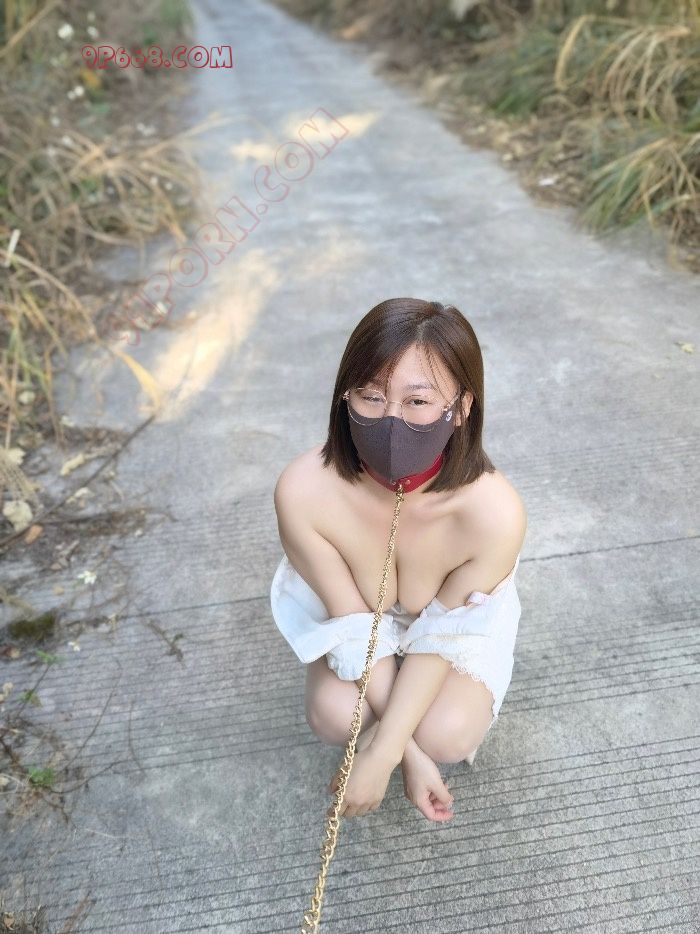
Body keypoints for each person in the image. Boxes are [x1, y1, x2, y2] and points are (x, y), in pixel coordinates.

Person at [270, 297, 527, 823]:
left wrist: (382, 752)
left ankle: (402, 733)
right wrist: (404, 757)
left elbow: (443, 637)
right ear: (344, 396)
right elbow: (353, 623)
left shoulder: (493, 514)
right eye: (371, 396)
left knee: (448, 733)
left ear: (462, 407)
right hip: (358, 626)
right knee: (335, 714)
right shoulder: (304, 491)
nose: (391, 420)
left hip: (448, 633)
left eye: (418, 401)